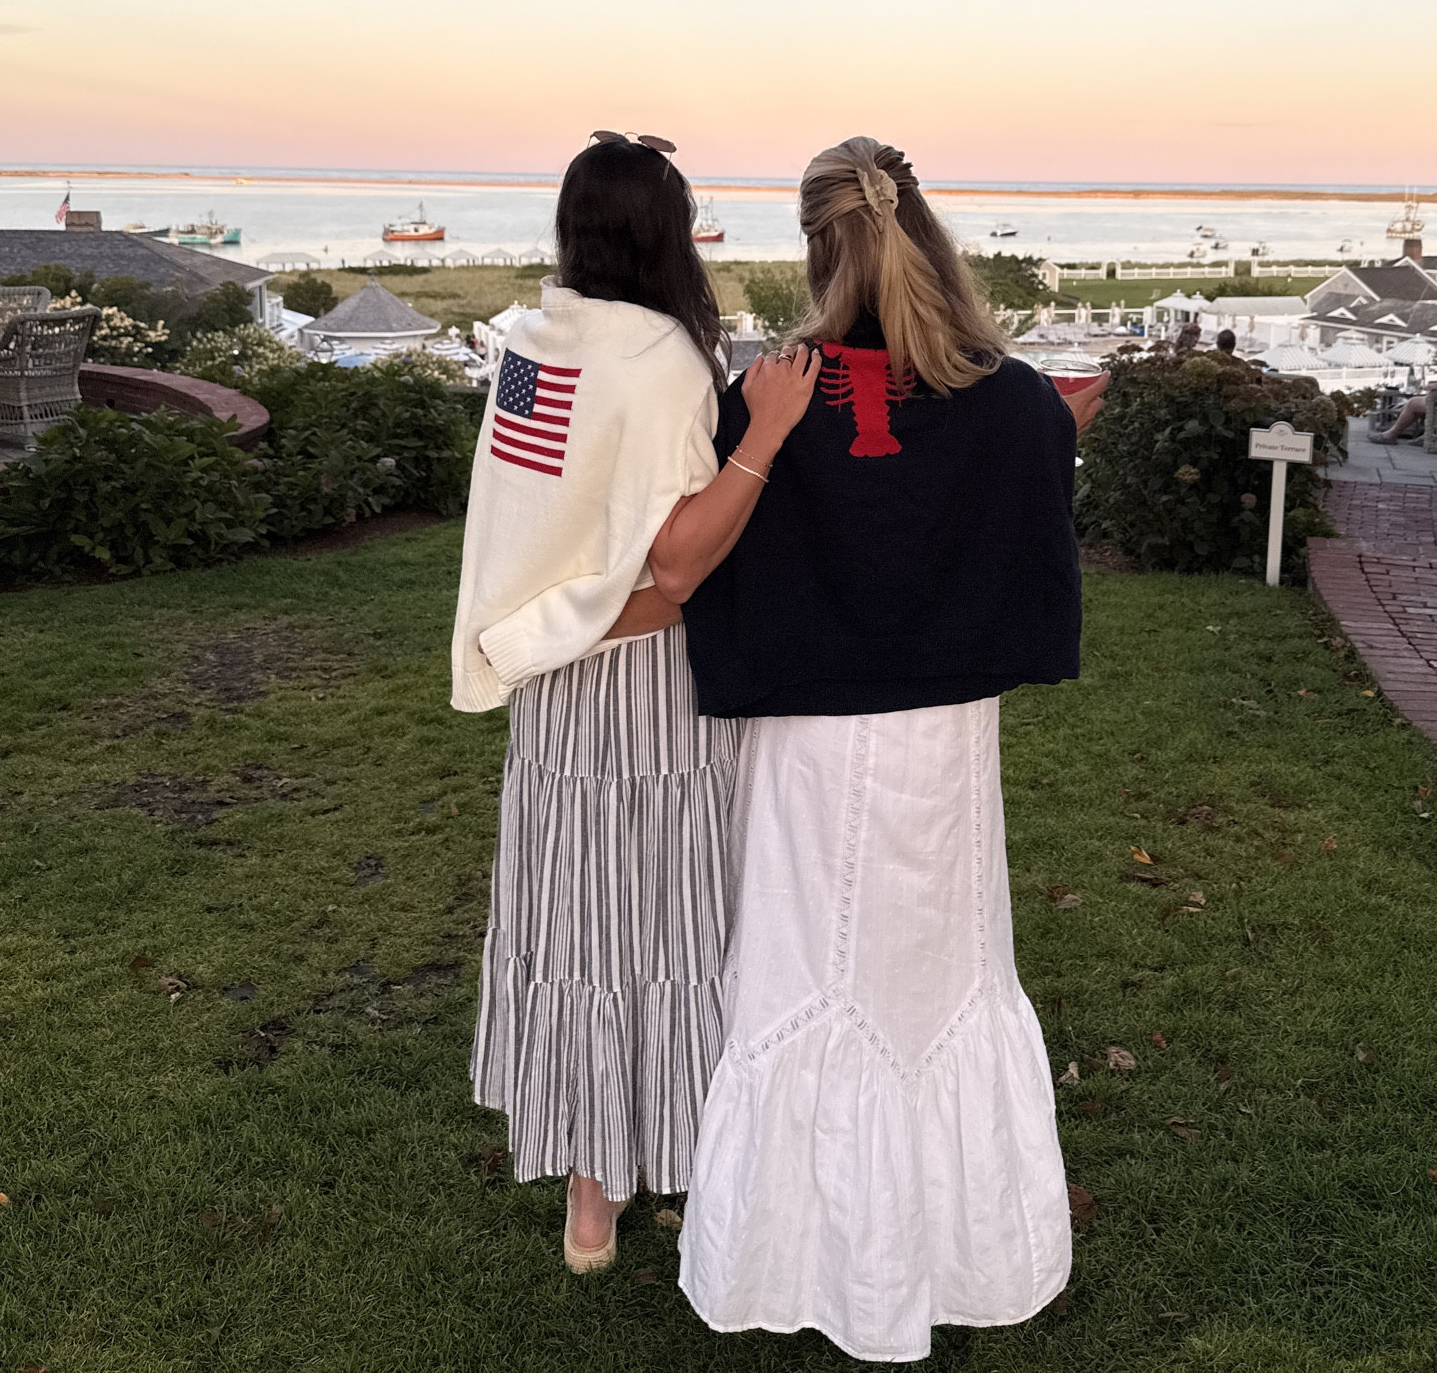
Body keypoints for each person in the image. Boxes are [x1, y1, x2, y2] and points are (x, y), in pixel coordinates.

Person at [673, 136, 1107, 1364]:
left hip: (809, 739)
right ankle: (959, 1249)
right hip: (947, 737)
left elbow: (721, 554)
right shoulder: (1013, 397)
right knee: (939, 979)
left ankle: (804, 1254)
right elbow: (1021, 538)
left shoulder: (771, 394)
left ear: (817, 245)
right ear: (926, 229)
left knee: (811, 979)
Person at [451, 135, 818, 1274]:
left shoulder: (528, 340)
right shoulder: (659, 356)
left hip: (554, 687)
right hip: (647, 682)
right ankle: (697, 1151)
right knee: (668, 916)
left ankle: (590, 1194)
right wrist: (765, 431)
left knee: (577, 919)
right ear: (666, 231)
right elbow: (679, 560)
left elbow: (534, 521)